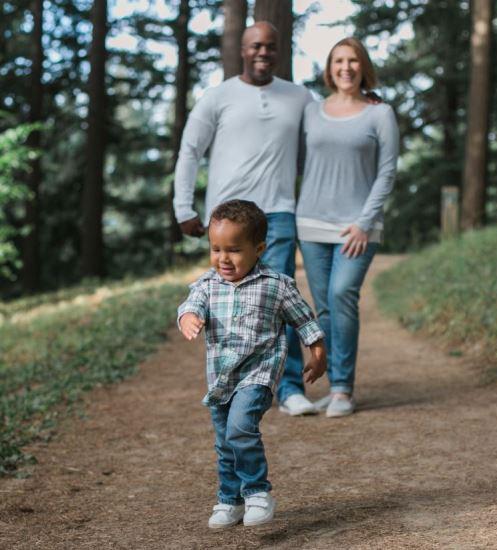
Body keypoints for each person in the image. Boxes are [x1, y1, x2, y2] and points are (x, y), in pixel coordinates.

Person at [173, 21, 318, 416]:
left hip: (279, 213)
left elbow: (324, 140)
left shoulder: (300, 97)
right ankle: (236, 383)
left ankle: (288, 390)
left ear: (279, 50)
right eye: (255, 45)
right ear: (242, 48)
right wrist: (183, 208)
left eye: (270, 46)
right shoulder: (217, 97)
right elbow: (190, 151)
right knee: (225, 305)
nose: (263, 52)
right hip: (227, 217)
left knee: (281, 300)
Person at [177, 200, 326, 529]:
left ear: (258, 249)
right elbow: (191, 305)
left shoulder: (276, 285)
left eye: (233, 249)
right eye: (215, 249)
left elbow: (305, 321)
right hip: (221, 379)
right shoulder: (207, 285)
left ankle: (258, 492)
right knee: (224, 441)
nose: (223, 259)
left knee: (241, 428)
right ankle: (230, 499)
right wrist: (188, 317)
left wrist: (318, 353)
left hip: (258, 374)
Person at [296, 37, 399, 418]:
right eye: (338, 60)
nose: (346, 67)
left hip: (358, 227)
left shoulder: (380, 114)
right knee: (323, 307)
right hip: (311, 223)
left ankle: (343, 389)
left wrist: (364, 222)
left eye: (353, 61)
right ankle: (334, 384)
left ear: (363, 67)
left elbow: (387, 172)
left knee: (342, 294)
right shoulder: (311, 111)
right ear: (329, 68)